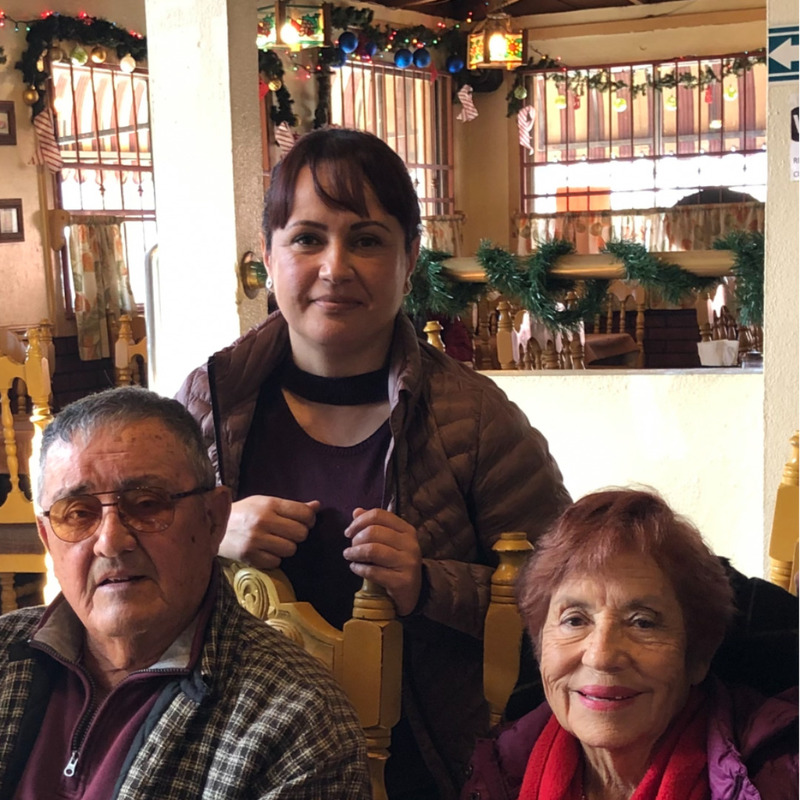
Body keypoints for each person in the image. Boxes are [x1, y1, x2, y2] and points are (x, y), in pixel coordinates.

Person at [177, 127, 571, 799]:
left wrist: (428, 584)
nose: (336, 267)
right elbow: (134, 576)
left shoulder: (475, 419)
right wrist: (208, 536)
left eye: (366, 240)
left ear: (409, 257)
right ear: (268, 257)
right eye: (307, 239)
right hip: (229, 764)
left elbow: (567, 599)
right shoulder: (209, 402)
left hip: (428, 769)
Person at [0, 387, 370, 800]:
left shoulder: (297, 721)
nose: (111, 542)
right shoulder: (5, 650)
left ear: (213, 519)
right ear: (47, 539)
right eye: (78, 513)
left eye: (147, 504)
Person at [461, 488, 799, 800]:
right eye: (575, 620)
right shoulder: (501, 771)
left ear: (698, 655)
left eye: (642, 622)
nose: (601, 656)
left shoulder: (779, 778)